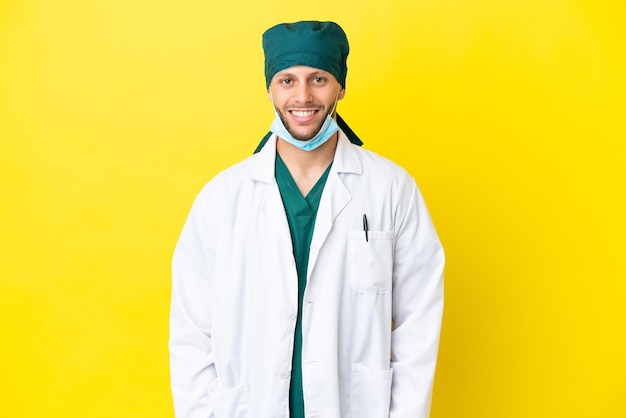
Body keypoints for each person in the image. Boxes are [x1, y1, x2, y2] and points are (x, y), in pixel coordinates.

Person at [169, 20, 445, 418]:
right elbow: (191, 334)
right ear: (269, 89)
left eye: (318, 78)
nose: (303, 96)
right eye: (287, 80)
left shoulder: (391, 189)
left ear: (341, 87)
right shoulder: (222, 198)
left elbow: (418, 325)